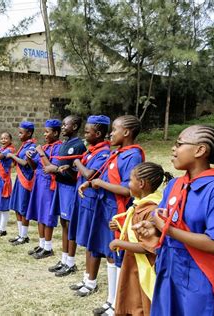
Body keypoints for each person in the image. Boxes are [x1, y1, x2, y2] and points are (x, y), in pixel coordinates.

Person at [133, 125, 214, 316]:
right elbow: (162, 219)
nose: (173, 148)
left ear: (200, 150)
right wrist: (154, 228)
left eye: (179, 144)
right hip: (169, 270)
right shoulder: (175, 184)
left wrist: (168, 230)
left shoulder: (213, 189)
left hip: (199, 276)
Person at [79, 115, 145, 315]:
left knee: (117, 255)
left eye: (115, 130)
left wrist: (99, 184)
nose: (111, 134)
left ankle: (118, 303)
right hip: (106, 207)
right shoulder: (118, 153)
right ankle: (111, 300)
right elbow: (105, 175)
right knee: (109, 253)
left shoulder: (133, 155)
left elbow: (128, 190)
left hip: (119, 210)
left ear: (126, 132)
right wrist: (90, 182)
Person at [109, 162, 171, 316]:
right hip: (132, 264)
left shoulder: (152, 210)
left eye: (130, 180)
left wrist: (118, 242)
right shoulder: (139, 205)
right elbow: (137, 233)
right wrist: (120, 228)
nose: (128, 184)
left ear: (141, 183)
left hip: (143, 267)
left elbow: (149, 246)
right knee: (132, 300)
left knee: (141, 303)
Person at [66, 115, 111, 297]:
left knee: (92, 242)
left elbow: (91, 174)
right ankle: (86, 277)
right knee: (85, 240)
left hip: (92, 201)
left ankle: (91, 282)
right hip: (83, 198)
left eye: (87, 132)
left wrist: (76, 162)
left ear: (98, 133)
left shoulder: (104, 153)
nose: (85, 135)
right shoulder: (92, 151)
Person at [46, 115, 86, 276]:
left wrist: (55, 170)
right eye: (62, 125)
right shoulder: (65, 144)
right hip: (61, 187)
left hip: (70, 189)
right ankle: (63, 259)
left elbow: (75, 173)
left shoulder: (77, 146)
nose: (62, 128)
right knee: (63, 223)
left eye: (65, 125)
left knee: (70, 225)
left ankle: (71, 262)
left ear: (74, 126)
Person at [25, 119, 62, 259]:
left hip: (49, 184)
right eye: (45, 131)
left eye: (48, 132)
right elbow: (35, 166)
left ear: (56, 133)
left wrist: (40, 153)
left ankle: (48, 247)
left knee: (47, 215)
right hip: (39, 182)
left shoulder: (59, 147)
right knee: (39, 213)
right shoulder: (45, 147)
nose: (45, 134)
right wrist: (29, 159)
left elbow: (51, 168)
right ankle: (41, 244)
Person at [7, 121, 36, 245]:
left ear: (29, 133)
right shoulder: (24, 145)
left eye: (21, 133)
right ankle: (20, 234)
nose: (19, 135)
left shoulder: (31, 147)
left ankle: (24, 236)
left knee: (23, 208)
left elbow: (25, 163)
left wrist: (12, 156)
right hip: (20, 178)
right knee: (18, 207)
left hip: (26, 180)